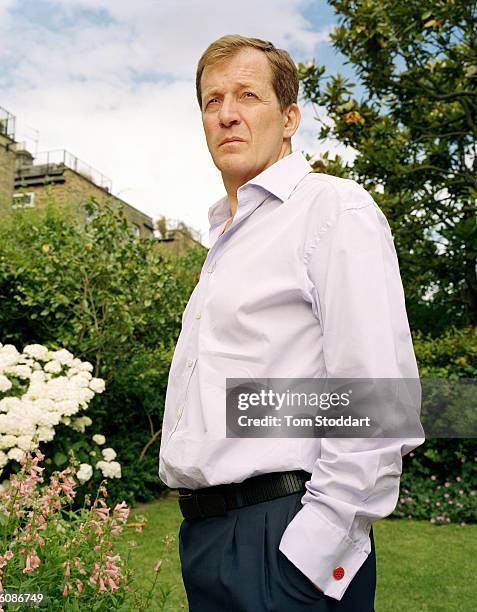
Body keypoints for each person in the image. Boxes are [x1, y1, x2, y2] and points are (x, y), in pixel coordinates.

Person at [159, 34, 425, 611]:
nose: (226, 113)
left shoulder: (331, 210)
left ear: (289, 118)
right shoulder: (227, 238)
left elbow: (380, 401)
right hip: (208, 540)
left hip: (281, 541)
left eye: (248, 95)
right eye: (211, 100)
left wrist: (313, 550)